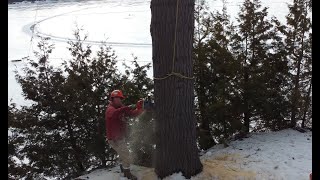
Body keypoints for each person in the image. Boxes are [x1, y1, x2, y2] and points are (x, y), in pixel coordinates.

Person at [105, 90, 144, 180]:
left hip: (120, 137)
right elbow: (114, 114)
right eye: (118, 98)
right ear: (113, 99)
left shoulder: (120, 107)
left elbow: (131, 114)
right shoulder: (110, 109)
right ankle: (127, 173)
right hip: (114, 139)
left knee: (122, 153)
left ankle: (123, 167)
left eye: (120, 98)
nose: (120, 100)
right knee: (125, 154)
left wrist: (139, 109)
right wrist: (127, 107)